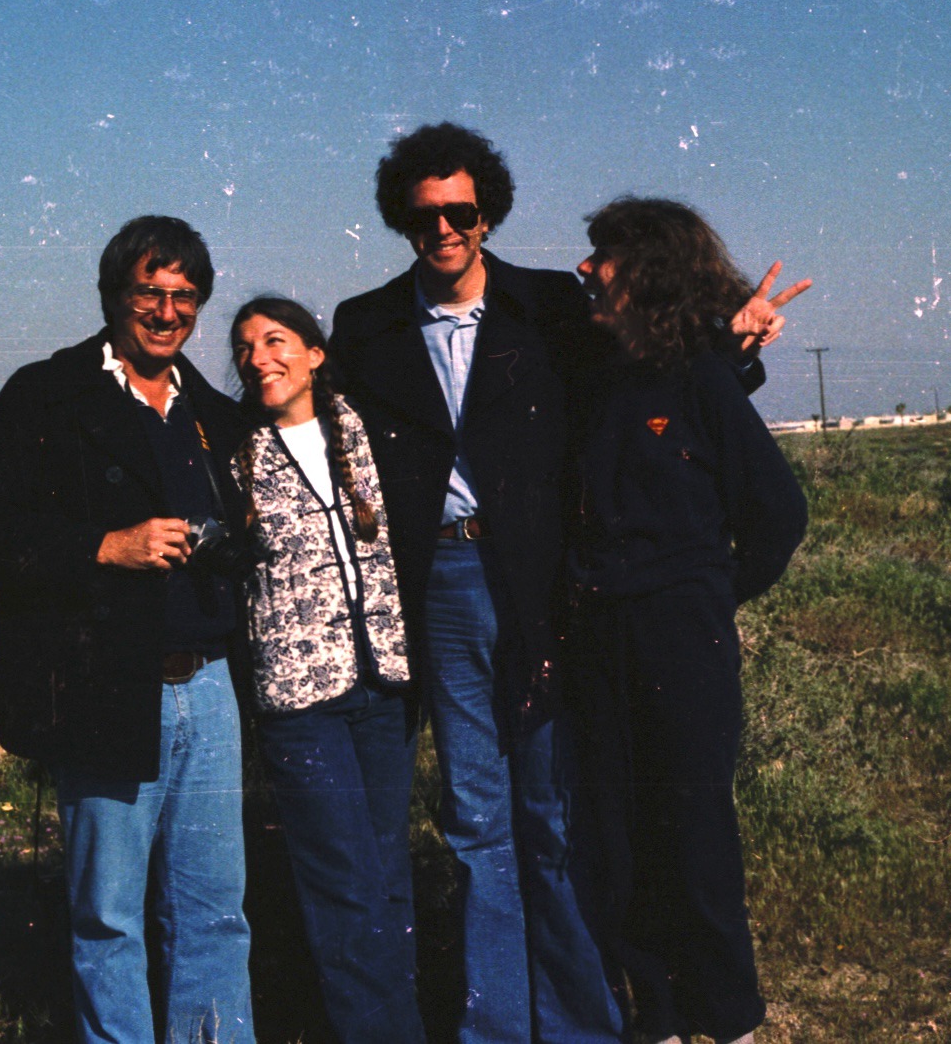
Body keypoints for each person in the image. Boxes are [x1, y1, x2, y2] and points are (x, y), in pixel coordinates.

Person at [327, 123, 802, 1043]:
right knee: (475, 817)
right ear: (402, 220)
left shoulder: (549, 308)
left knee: (557, 811)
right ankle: (502, 1026)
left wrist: (727, 343)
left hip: (546, 579)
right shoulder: (366, 326)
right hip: (444, 584)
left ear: (488, 212)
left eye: (461, 211)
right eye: (425, 216)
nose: (444, 229)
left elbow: (653, 371)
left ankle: (587, 1022)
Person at [0, 215, 254, 1044]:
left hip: (211, 689)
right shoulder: (43, 394)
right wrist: (103, 547)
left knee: (216, 912)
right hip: (103, 688)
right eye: (148, 294)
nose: (166, 313)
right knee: (109, 919)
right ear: (111, 296)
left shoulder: (214, 416)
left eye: (184, 297)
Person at [568, 197, 809, 1044]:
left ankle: (731, 1018)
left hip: (682, 641)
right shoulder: (595, 379)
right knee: (618, 839)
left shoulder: (701, 379)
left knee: (695, 834)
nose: (587, 269)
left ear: (646, 275)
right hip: (601, 643)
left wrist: (709, 596)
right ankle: (658, 1019)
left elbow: (778, 514)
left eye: (603, 257)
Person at [227, 296, 425, 1043]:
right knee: (343, 890)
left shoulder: (368, 429)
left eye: (275, 340)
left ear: (315, 352)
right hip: (299, 700)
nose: (258, 358)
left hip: (385, 685)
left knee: (388, 879)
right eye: (244, 348)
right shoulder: (235, 452)